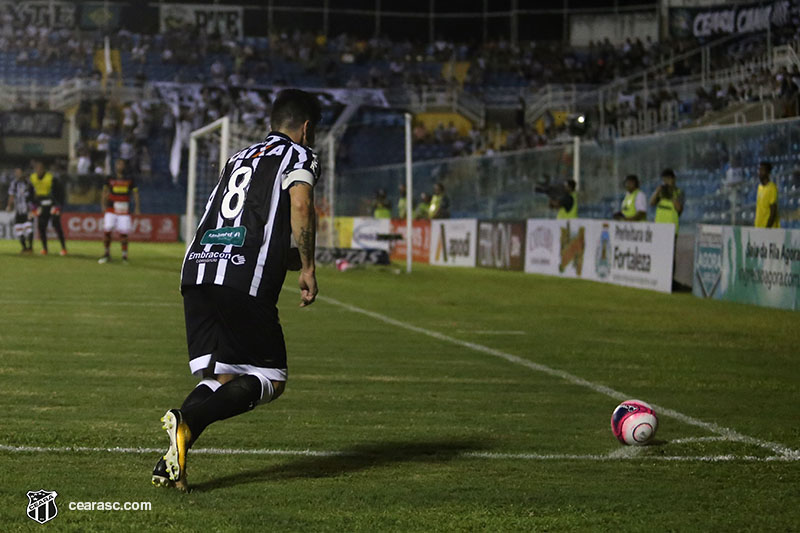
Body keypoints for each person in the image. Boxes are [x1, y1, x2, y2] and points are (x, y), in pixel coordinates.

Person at [152, 89, 321, 492]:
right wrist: (309, 266)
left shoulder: (238, 157)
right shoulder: (299, 155)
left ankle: (171, 461)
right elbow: (301, 207)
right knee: (271, 378)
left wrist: (282, 255)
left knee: (224, 375)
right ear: (306, 128)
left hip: (198, 270)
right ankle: (189, 421)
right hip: (241, 277)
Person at [98, 159, 140, 264]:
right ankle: (106, 254)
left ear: (124, 166)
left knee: (124, 233)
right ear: (115, 165)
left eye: (122, 164)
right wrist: (103, 205)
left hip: (124, 210)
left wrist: (137, 207)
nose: (120, 166)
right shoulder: (110, 178)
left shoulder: (129, 179)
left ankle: (124, 256)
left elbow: (135, 193)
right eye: (118, 164)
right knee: (107, 231)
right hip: (111, 208)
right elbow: (105, 192)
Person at [30, 159, 67, 256]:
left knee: (56, 225)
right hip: (41, 205)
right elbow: (30, 193)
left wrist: (58, 206)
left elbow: (60, 192)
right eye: (37, 168)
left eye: (40, 168)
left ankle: (63, 248)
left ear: (44, 169)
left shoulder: (51, 178)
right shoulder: (32, 178)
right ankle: (45, 248)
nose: (38, 170)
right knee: (41, 226)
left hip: (52, 204)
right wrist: (33, 206)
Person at [6, 167, 34, 253]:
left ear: (22, 173)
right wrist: (9, 206)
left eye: (19, 172)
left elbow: (33, 195)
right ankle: (24, 248)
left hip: (27, 209)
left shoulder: (28, 183)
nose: (17, 174)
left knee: (28, 228)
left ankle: (30, 248)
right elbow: (11, 196)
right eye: (16, 172)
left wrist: (33, 208)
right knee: (18, 228)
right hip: (18, 210)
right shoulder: (14, 183)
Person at [650, 168, 684, 235]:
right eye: (664, 180)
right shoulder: (660, 191)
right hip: (658, 226)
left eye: (668, 179)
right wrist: (657, 192)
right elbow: (651, 203)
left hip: (671, 228)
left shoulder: (679, 192)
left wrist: (670, 195)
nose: (666, 182)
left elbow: (679, 209)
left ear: (674, 179)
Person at [755, 161, 780, 228]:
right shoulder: (759, 187)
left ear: (768, 172)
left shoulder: (772, 188)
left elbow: (773, 211)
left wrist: (767, 229)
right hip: (758, 227)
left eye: (762, 170)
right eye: (759, 170)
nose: (760, 172)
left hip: (768, 228)